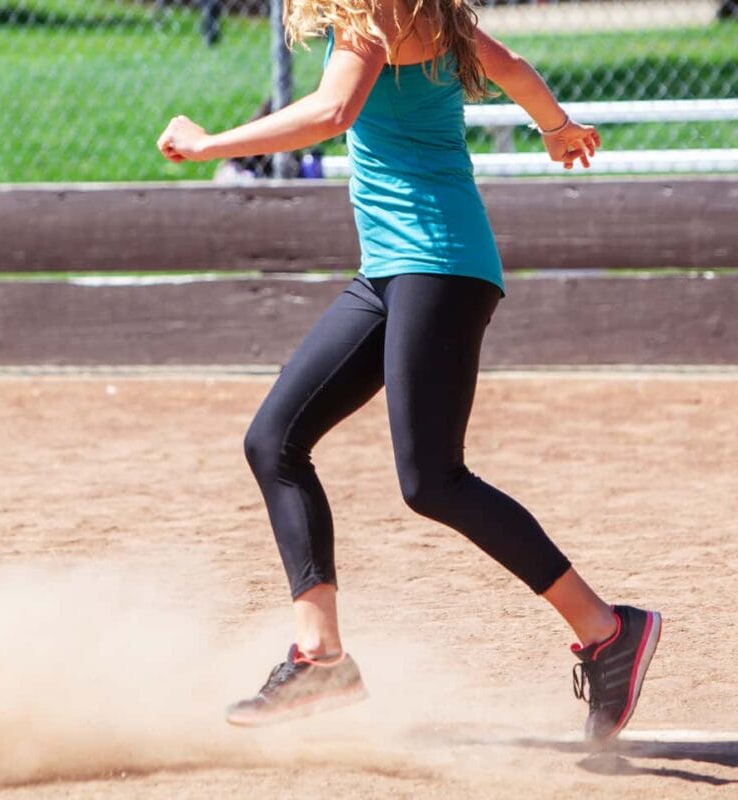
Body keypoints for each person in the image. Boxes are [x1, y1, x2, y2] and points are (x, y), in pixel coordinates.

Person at [157, 0, 661, 742]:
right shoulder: (417, 9)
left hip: (439, 266)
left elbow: (333, 111)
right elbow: (512, 69)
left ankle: (608, 629)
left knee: (433, 480)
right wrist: (556, 128)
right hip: (394, 271)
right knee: (275, 442)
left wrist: (211, 146)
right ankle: (320, 654)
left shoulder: (380, 8)